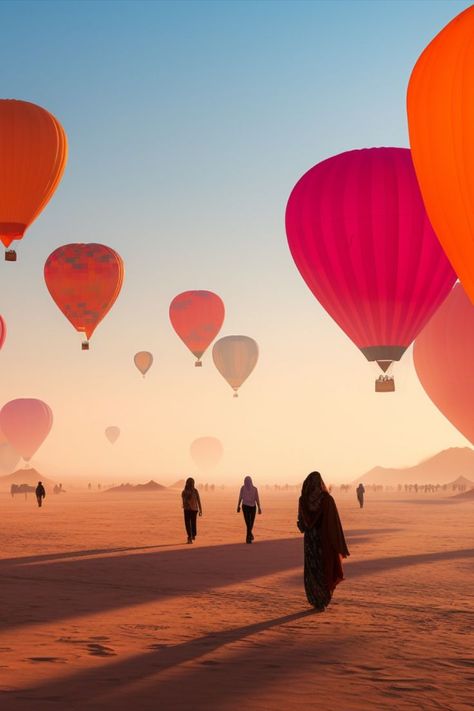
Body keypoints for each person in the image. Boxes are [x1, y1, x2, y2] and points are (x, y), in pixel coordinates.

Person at [297, 471, 349, 611]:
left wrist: (305, 525)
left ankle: (315, 600)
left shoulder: (303, 501)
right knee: (323, 567)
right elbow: (334, 523)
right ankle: (323, 600)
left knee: (312, 570)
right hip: (324, 541)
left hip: (310, 542)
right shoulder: (327, 500)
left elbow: (302, 525)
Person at [237, 475, 262, 543]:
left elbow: (257, 498)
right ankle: (248, 538)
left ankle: (249, 536)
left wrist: (259, 507)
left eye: (248, 481)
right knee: (248, 522)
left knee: (251, 523)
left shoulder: (254, 489)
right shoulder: (242, 488)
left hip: (253, 507)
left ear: (251, 482)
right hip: (245, 507)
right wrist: (238, 506)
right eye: (246, 481)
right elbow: (240, 497)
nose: (247, 483)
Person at [181, 477, 202, 544]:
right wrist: (201, 509)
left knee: (189, 523)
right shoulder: (186, 491)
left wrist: (200, 509)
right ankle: (191, 536)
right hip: (190, 509)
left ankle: (191, 535)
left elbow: (198, 500)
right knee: (191, 523)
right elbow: (184, 500)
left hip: (190, 509)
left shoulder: (189, 491)